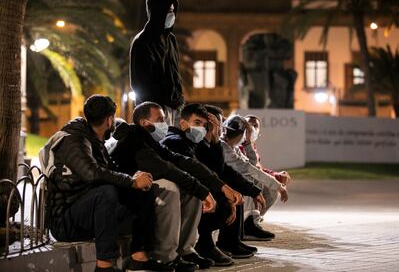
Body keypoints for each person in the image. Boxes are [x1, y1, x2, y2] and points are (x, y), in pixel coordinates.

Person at [39, 95, 170, 272]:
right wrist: (131, 182)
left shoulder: (93, 138)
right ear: (109, 120)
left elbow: (110, 170)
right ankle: (104, 265)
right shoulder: (74, 140)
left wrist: (136, 179)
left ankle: (139, 257)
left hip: (90, 212)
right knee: (106, 192)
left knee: (144, 189)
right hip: (66, 222)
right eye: (114, 118)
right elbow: (92, 174)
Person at [110, 102, 240, 270]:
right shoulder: (134, 141)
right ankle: (165, 256)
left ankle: (184, 250)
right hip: (125, 198)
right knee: (170, 187)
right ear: (144, 122)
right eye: (160, 119)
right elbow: (165, 168)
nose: (164, 124)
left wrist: (220, 186)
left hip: (142, 190)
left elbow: (181, 161)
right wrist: (203, 191)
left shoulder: (150, 141)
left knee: (190, 190)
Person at [194, 105, 267, 262]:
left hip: (204, 186)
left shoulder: (211, 145)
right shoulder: (196, 144)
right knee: (228, 197)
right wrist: (225, 192)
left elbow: (224, 170)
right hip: (196, 191)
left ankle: (231, 242)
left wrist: (253, 191)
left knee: (236, 193)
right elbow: (211, 173)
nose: (221, 130)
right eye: (218, 125)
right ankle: (206, 245)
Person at [220, 115, 289, 241]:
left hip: (227, 185)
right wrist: (278, 186)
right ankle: (247, 224)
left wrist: (247, 144)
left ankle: (250, 222)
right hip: (222, 188)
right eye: (249, 129)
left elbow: (252, 165)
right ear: (243, 133)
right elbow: (251, 170)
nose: (251, 131)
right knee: (250, 181)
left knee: (254, 181)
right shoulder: (225, 148)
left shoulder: (233, 147)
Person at [130, 0, 184, 125]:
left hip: (173, 108)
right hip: (153, 113)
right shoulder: (142, 41)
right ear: (157, 11)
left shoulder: (171, 39)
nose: (171, 14)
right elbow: (139, 83)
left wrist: (178, 98)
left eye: (172, 10)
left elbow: (175, 73)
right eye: (167, 11)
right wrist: (155, 109)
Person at [241, 115, 292, 186]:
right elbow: (252, 170)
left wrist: (276, 174)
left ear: (259, 133)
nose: (251, 128)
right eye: (248, 125)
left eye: (255, 126)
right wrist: (276, 177)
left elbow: (259, 169)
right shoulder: (238, 146)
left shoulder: (252, 146)